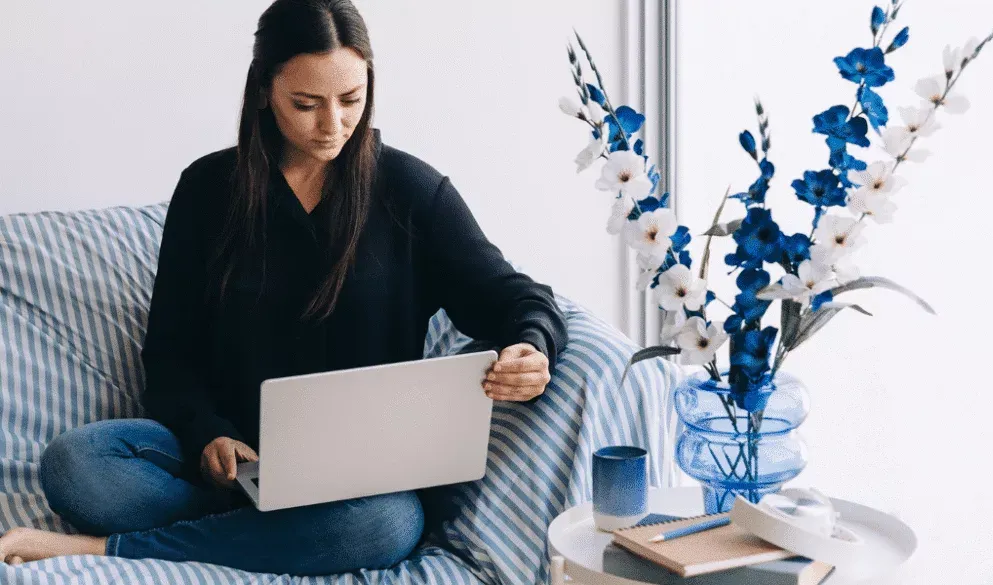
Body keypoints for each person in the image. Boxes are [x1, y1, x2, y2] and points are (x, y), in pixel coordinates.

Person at [0, 0, 568, 575]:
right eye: (306, 104)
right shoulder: (206, 191)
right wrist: (208, 436)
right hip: (228, 464)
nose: (333, 126)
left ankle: (111, 550)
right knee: (74, 463)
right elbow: (170, 354)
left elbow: (517, 298)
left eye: (352, 100)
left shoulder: (412, 191)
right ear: (263, 92)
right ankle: (258, 533)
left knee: (387, 523)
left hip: (354, 482)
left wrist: (532, 345)